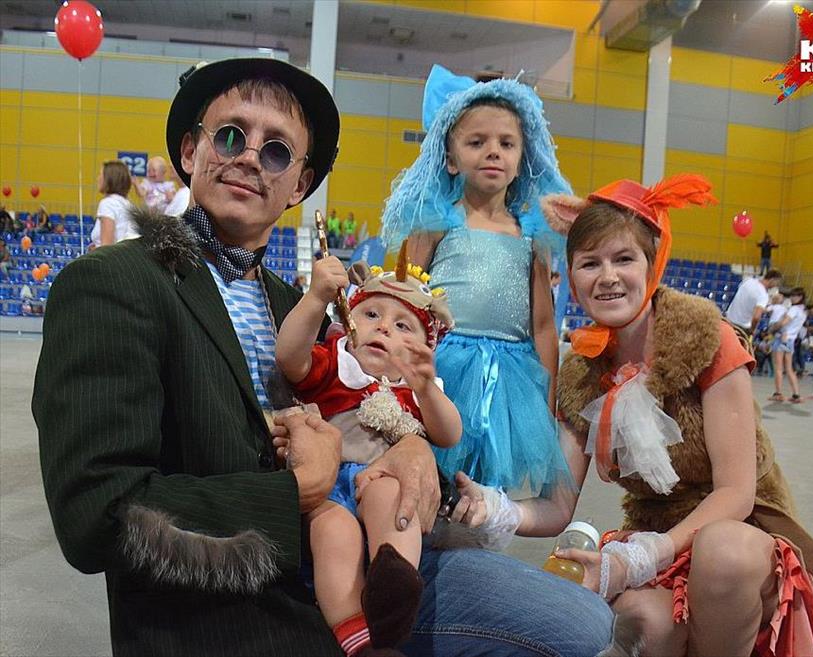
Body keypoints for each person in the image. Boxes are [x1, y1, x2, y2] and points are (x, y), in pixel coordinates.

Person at [33, 57, 612, 657]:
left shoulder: (297, 304)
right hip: (232, 601)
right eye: (229, 136)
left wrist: (412, 446)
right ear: (189, 150)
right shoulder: (113, 283)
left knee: (581, 620)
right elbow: (94, 513)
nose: (249, 157)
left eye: (276, 150)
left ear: (299, 185)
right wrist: (298, 494)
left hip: (356, 547)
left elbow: (367, 404)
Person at [528, 176, 813, 657]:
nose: (607, 276)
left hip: (742, 530)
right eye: (589, 263)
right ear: (572, 276)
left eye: (623, 258)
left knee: (722, 553)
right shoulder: (580, 373)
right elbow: (556, 506)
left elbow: (736, 493)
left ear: (653, 263)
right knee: (644, 623)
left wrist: (644, 557)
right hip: (655, 531)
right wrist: (490, 511)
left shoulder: (707, 338)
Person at [380, 64, 572, 495]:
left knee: (486, 488)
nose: (493, 152)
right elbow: (406, 299)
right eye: (476, 142)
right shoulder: (435, 223)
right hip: (445, 367)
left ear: (522, 159)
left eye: (506, 143)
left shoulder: (532, 236)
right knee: (430, 469)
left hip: (510, 377)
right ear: (450, 159)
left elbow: (543, 325)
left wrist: (546, 400)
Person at [275, 252, 461, 656]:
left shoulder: (415, 389)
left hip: (377, 478)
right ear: (348, 322)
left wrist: (426, 389)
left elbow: (449, 434)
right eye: (371, 314)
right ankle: (358, 638)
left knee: (392, 497)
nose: (383, 327)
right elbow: (289, 357)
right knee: (333, 533)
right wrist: (315, 298)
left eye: (402, 326)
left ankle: (395, 582)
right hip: (327, 487)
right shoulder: (334, 364)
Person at [769, 287, 806, 403]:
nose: (792, 298)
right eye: (792, 296)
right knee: (789, 369)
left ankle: (778, 393)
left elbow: (784, 322)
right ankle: (796, 394)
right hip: (791, 341)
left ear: (800, 297)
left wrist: (773, 328)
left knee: (778, 368)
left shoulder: (793, 309)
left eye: (794, 296)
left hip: (782, 338)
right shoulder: (802, 312)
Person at [90, 160, 137, 248]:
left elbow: (106, 247)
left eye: (101, 175)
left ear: (110, 179)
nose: (98, 178)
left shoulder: (107, 204)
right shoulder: (128, 205)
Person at [725, 268, 783, 335]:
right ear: (772, 280)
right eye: (777, 283)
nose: (776, 286)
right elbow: (756, 317)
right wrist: (752, 330)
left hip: (728, 319)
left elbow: (746, 300)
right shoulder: (763, 295)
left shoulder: (748, 280)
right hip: (741, 327)